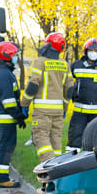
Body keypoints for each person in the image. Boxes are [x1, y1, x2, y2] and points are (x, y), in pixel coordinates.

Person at [21, 32, 73, 162]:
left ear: (48, 45)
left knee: (40, 138)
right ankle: (58, 174)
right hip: (58, 111)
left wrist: (24, 104)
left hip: (42, 112)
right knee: (56, 142)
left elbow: (33, 85)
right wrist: (65, 108)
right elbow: (70, 90)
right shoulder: (64, 64)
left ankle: (49, 168)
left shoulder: (39, 62)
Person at [0, 41, 27, 187]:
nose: (16, 58)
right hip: (7, 117)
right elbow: (8, 101)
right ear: (7, 56)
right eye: (14, 55)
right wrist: (18, 115)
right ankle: (1, 178)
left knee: (4, 145)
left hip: (6, 117)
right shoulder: (5, 74)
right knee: (7, 146)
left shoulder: (3, 72)